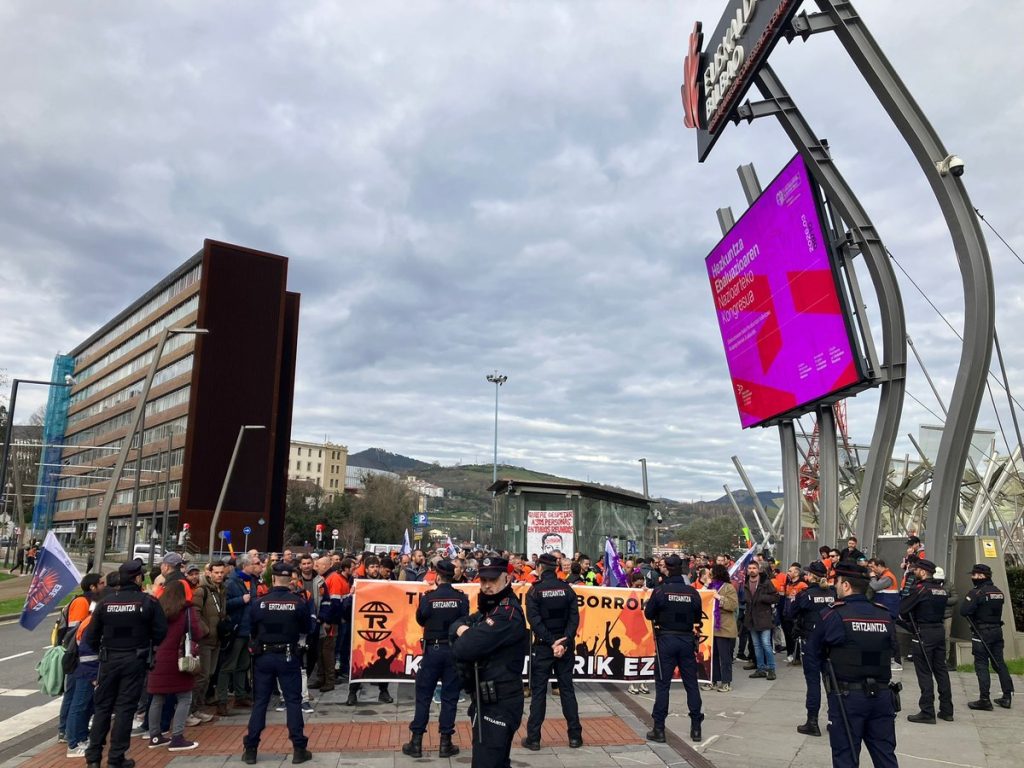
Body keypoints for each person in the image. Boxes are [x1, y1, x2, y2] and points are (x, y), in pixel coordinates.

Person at [804, 561, 898, 768]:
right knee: (885, 755)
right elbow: (892, 649)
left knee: (846, 756)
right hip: (882, 695)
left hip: (847, 697)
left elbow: (812, 653)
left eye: (837, 582)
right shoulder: (883, 614)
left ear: (845, 585)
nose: (835, 586)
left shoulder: (834, 614)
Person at [84, 558, 168, 768]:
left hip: (109, 659)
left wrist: (104, 650)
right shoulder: (147, 602)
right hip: (134, 659)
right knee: (125, 709)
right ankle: (116, 758)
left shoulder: (105, 603)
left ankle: (93, 758)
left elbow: (90, 637)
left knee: (102, 708)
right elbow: (161, 632)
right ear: (138, 578)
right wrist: (146, 645)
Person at [451, 554, 528, 768]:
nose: (487, 585)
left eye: (493, 580)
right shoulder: (491, 607)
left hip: (500, 700)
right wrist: (462, 629)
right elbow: (458, 623)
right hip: (486, 698)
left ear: (507, 578)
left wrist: (462, 633)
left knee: (487, 762)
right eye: (483, 580)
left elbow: (463, 648)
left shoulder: (506, 613)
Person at [242, 561, 313, 765]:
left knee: (260, 703)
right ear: (290, 580)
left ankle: (251, 749)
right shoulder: (298, 602)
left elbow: (251, 629)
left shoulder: (259, 603)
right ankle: (299, 748)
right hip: (288, 655)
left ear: (272, 579)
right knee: (293, 701)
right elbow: (307, 628)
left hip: (264, 656)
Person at [402, 558, 470, 759]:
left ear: (438, 577)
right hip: (453, 651)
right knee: (450, 697)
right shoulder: (461, 598)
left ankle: (416, 743)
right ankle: (445, 743)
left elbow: (420, 619)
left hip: (432, 651)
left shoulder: (429, 597)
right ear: (453, 577)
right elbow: (464, 620)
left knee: (423, 696)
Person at [522, 552, 582, 750]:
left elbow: (534, 621)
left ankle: (534, 739)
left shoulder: (534, 591)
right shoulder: (567, 589)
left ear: (539, 568)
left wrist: (551, 642)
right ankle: (575, 737)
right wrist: (563, 642)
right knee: (567, 690)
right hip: (564, 647)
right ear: (556, 568)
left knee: (539, 692)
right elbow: (574, 619)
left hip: (544, 647)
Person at [644, 553, 703, 743]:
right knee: (691, 684)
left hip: (666, 640)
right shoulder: (692, 592)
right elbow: (697, 617)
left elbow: (649, 614)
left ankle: (659, 729)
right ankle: (696, 728)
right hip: (686, 640)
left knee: (663, 685)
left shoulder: (660, 591)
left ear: (668, 570)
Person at [146, 580, 204, 750]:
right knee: (184, 697)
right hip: (179, 658)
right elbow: (196, 632)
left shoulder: (156, 608)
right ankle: (177, 737)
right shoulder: (186, 610)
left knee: (157, 698)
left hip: (157, 658)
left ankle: (154, 736)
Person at [899, 559, 953, 723]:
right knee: (941, 671)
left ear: (923, 572)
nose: (914, 572)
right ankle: (947, 710)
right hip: (938, 631)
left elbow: (903, 609)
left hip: (923, 632)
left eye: (916, 570)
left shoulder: (920, 589)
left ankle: (927, 711)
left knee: (924, 672)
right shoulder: (941, 590)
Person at [960, 563, 1013, 710]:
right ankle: (1007, 696)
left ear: (981, 576)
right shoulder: (998, 592)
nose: (972, 577)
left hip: (981, 632)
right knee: (999, 663)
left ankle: (984, 699)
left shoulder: (976, 593)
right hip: (997, 631)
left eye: (974, 575)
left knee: (981, 665)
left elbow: (964, 611)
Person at [792, 561, 836, 736]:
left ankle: (812, 722)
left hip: (811, 641)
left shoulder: (806, 595)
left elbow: (791, 613)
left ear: (811, 576)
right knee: (831, 682)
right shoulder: (833, 593)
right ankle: (834, 720)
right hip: (830, 641)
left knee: (813, 683)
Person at [217, 552, 262, 715]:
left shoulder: (251, 581)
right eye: (253, 564)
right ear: (245, 566)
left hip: (247, 629)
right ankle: (221, 700)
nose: (256, 567)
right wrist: (241, 600)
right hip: (236, 630)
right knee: (228, 665)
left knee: (243, 664)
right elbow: (224, 604)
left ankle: (240, 695)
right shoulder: (231, 582)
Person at [190, 560, 226, 723]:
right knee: (202, 676)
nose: (219, 575)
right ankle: (192, 710)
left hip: (217, 638)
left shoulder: (222, 589)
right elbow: (195, 613)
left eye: (221, 572)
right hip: (205, 639)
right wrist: (204, 630)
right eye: (216, 572)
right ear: (209, 573)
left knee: (209, 675)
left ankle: (198, 708)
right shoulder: (202, 591)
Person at [704, 563, 738, 693]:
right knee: (713, 657)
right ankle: (713, 680)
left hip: (725, 628)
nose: (710, 575)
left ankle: (726, 682)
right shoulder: (710, 586)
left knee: (725, 657)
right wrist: (706, 585)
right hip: (711, 627)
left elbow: (733, 605)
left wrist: (719, 598)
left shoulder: (729, 587)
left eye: (711, 573)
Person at [742, 561, 778, 680]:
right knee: (756, 646)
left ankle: (771, 669)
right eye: (750, 568)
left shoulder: (765, 582)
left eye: (754, 568)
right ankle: (760, 668)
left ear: (758, 570)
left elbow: (776, 597)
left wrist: (762, 598)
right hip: (751, 618)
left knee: (766, 644)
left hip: (764, 617)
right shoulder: (746, 582)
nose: (752, 570)